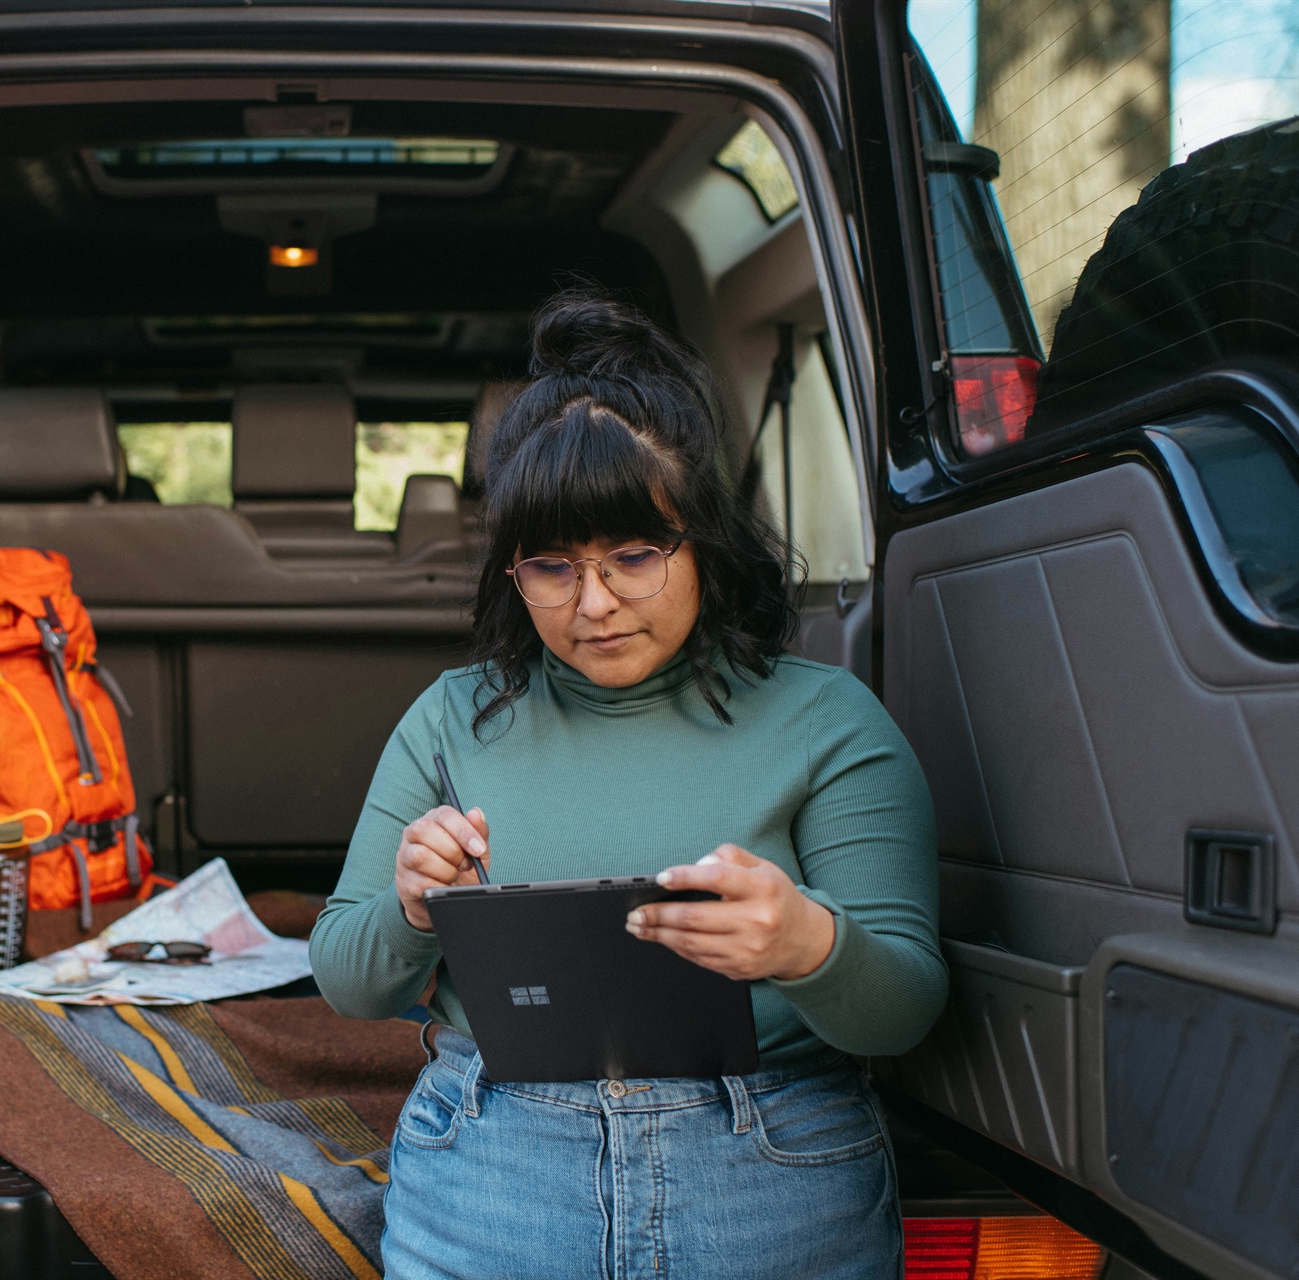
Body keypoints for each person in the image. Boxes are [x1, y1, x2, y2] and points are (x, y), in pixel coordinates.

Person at [309, 289, 946, 1280]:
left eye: (636, 555)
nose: (594, 603)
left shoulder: (828, 721)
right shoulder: (452, 715)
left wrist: (806, 943)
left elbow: (905, 1007)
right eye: (551, 567)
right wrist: (409, 905)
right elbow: (349, 980)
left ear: (705, 538)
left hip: (772, 1175)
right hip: (493, 1172)